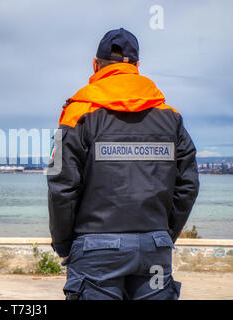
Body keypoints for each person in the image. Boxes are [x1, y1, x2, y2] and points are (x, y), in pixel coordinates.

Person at [47, 28, 199, 300]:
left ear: (95, 65)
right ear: (137, 67)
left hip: (95, 250)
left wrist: (63, 245)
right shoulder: (171, 117)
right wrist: (164, 235)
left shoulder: (75, 114)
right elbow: (187, 185)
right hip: (154, 246)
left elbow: (61, 186)